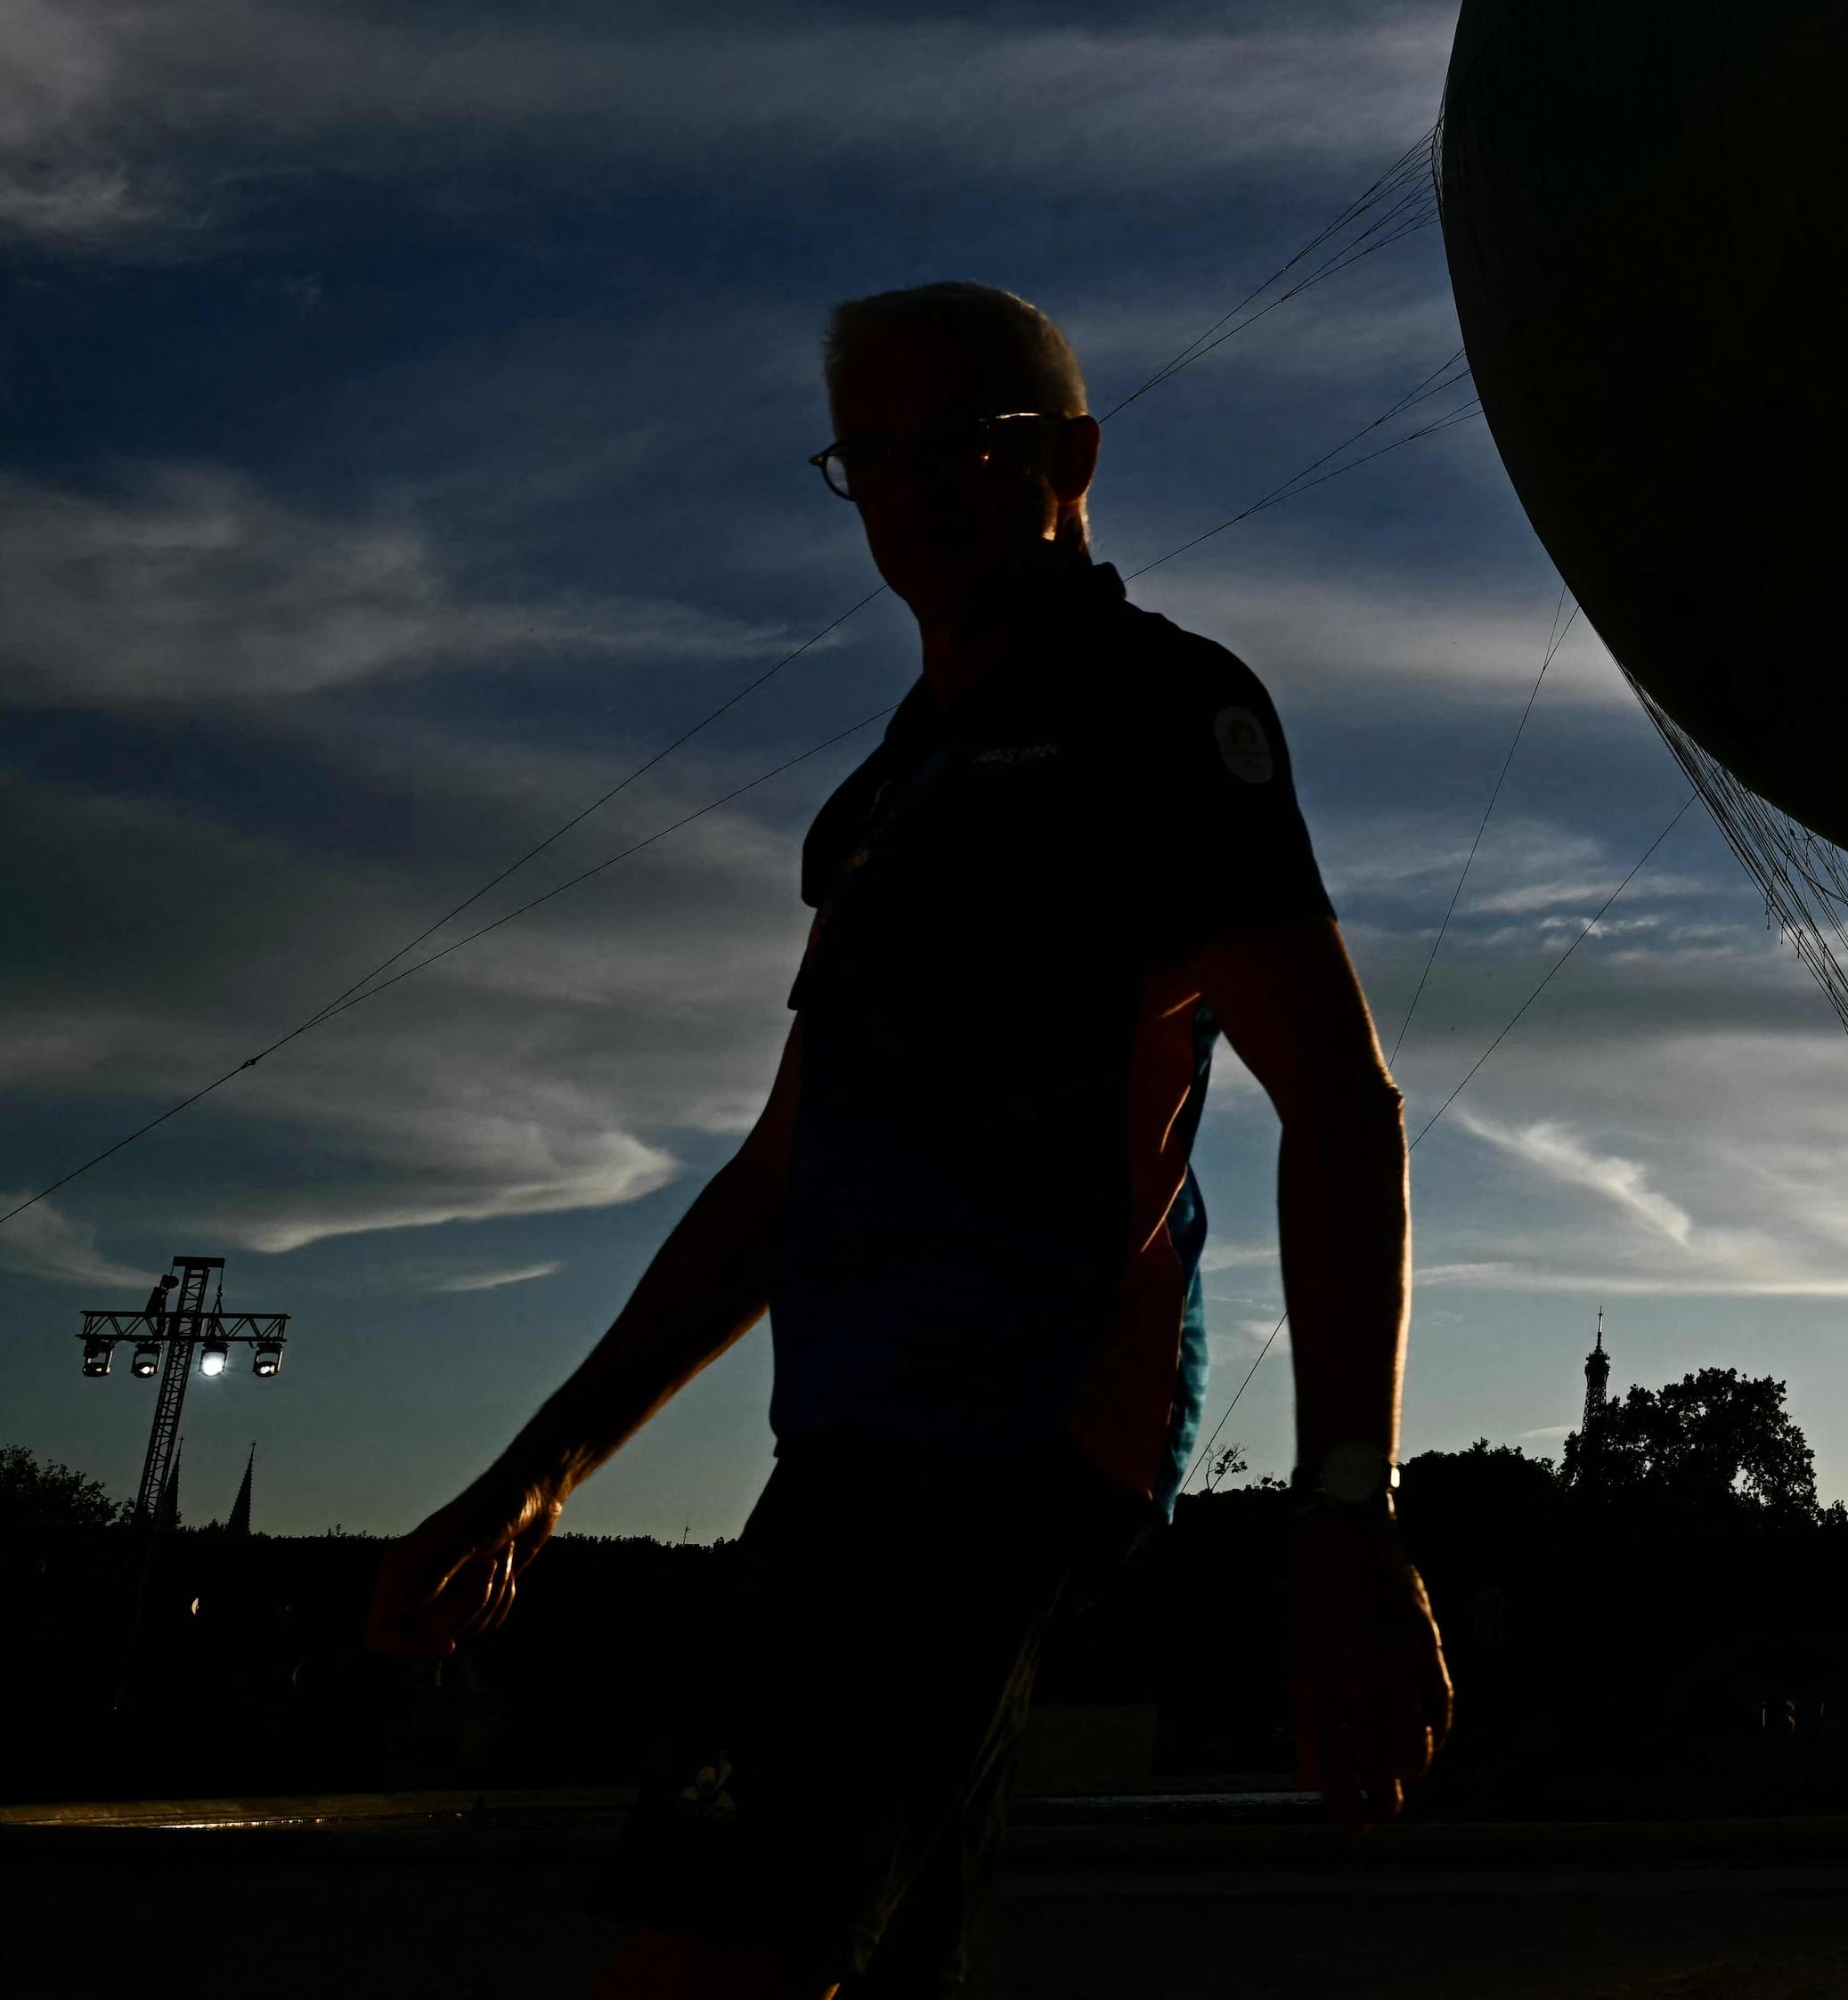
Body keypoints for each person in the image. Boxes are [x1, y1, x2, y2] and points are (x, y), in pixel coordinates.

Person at [368, 282, 1453, 1996]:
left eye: (968, 441)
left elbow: (1339, 1101)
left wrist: (1346, 1512)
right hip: (860, 1440)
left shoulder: (1159, 713)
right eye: (871, 456)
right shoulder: (877, 804)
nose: (913, 487)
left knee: (696, 1957)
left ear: (1073, 459)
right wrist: (538, 1473)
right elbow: (784, 1173)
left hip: (1003, 1439)